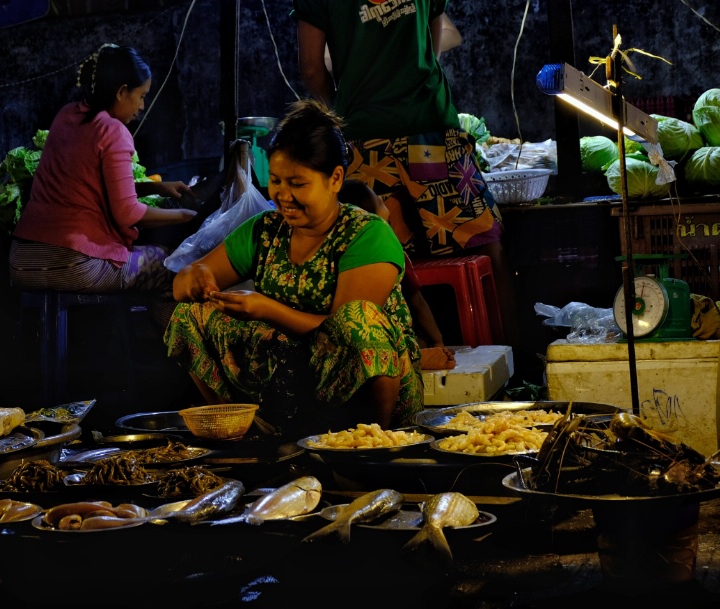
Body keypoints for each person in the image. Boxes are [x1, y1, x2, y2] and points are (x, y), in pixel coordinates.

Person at [165, 100, 423, 431]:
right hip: (291, 376)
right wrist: (196, 276)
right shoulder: (265, 229)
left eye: (297, 184)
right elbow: (182, 285)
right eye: (276, 181)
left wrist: (265, 309)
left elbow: (348, 330)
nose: (282, 195)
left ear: (335, 179)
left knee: (358, 320)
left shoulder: (367, 234)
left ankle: (371, 446)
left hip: (359, 385)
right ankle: (241, 433)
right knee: (189, 315)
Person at [294, 1, 518, 344]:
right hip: (431, 126)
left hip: (366, 140)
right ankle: (510, 356)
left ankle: (400, 361)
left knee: (380, 255)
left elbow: (311, 69)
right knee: (485, 241)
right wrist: (415, 86)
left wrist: (345, 112)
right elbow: (433, 39)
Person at [9, 44, 196, 309]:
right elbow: (127, 213)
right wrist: (187, 217)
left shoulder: (67, 115)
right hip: (73, 264)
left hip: (22, 261)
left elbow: (90, 184)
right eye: (141, 96)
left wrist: (156, 188)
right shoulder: (113, 131)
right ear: (121, 92)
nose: (142, 106)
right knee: (171, 263)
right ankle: (161, 347)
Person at [338, 180, 455, 371]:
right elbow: (417, 302)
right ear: (370, 218)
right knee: (419, 343)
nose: (385, 201)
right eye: (380, 202)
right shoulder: (390, 249)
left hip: (362, 344)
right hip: (395, 340)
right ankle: (415, 358)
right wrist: (438, 341)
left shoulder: (341, 254)